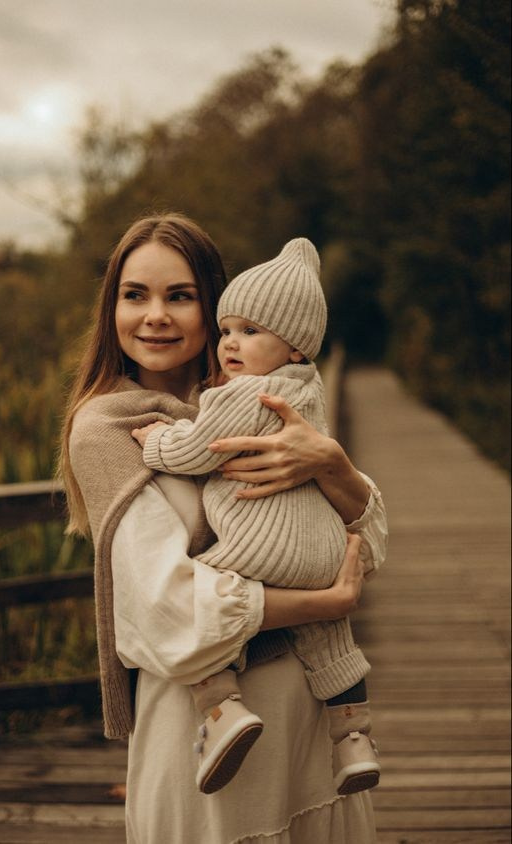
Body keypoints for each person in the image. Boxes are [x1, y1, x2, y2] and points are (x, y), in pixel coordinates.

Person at [60, 212, 388, 843]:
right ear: (113, 308)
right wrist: (329, 602)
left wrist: (332, 463)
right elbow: (167, 605)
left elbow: (360, 541)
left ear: (212, 309)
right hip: (207, 720)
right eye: (136, 295)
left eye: (179, 296)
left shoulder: (261, 397)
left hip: (308, 712)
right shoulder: (107, 430)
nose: (155, 314)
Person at [134, 238, 380, 797]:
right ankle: (354, 738)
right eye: (227, 331)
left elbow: (198, 449)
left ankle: (221, 710)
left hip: (261, 545)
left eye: (250, 332)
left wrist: (156, 442)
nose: (230, 345)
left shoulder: (242, 394)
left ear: (296, 348)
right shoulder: (307, 390)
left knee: (202, 596)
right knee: (330, 639)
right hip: (320, 550)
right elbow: (362, 509)